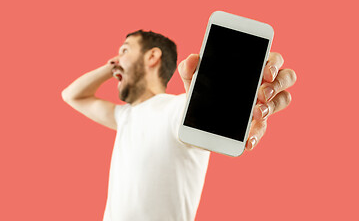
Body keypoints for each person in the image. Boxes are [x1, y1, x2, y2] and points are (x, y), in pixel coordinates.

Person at [62, 30, 297, 221]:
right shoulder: (125, 117)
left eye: (124, 50)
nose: (116, 60)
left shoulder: (177, 110)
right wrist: (114, 64)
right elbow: (72, 96)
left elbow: (201, 111)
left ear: (152, 56)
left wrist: (243, 93)